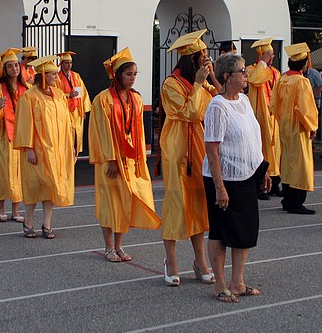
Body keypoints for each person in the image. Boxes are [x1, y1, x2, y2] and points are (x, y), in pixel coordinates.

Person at [204, 53, 270, 302]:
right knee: (220, 231)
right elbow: (212, 149)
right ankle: (220, 284)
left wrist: (261, 169)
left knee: (245, 231)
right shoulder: (217, 106)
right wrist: (220, 188)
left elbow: (253, 137)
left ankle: (238, 282)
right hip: (222, 178)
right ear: (226, 76)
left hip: (245, 175)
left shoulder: (243, 100)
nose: (246, 75)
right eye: (242, 71)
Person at [88, 47, 161, 262]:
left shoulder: (136, 99)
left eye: (135, 74)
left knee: (125, 201)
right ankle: (108, 248)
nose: (132, 79)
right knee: (111, 202)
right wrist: (111, 159)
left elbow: (138, 131)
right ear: (117, 75)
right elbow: (101, 131)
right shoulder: (103, 99)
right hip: (110, 159)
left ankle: (119, 246)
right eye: (128, 74)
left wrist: (140, 156)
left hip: (129, 158)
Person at [159, 29, 217, 286]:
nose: (205, 61)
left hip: (198, 145)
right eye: (201, 57)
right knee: (175, 203)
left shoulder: (203, 83)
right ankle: (170, 260)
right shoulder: (171, 84)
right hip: (177, 148)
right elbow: (191, 113)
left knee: (198, 203)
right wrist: (198, 83)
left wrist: (210, 79)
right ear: (190, 59)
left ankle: (199, 260)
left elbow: (217, 103)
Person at [13, 55, 75, 239]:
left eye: (56, 73)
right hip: (38, 149)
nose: (56, 76)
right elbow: (24, 123)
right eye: (52, 74)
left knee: (51, 186)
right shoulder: (29, 97)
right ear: (42, 74)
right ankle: (28, 221)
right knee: (34, 185)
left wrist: (70, 144)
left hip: (56, 149)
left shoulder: (58, 94)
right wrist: (29, 148)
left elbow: (66, 122)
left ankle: (47, 224)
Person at [271, 43, 319, 214]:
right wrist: (312, 126)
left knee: (287, 163)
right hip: (298, 128)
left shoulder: (282, 79)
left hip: (284, 127)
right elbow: (305, 109)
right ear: (305, 64)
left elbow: (273, 105)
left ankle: (288, 199)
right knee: (300, 165)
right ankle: (296, 202)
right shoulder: (302, 82)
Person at [0, 48, 28, 221]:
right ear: (4, 69)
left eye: (16, 65)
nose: (14, 69)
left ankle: (16, 210)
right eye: (10, 66)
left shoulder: (26, 88)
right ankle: (1, 207)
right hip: (3, 137)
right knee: (3, 171)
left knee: (19, 172)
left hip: (21, 137)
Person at [245, 37, 281, 197]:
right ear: (261, 55)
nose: (271, 57)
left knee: (274, 150)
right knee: (261, 150)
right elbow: (254, 81)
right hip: (260, 116)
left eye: (272, 54)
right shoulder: (252, 70)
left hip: (273, 117)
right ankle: (260, 186)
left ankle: (274, 184)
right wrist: (263, 63)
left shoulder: (276, 73)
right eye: (268, 54)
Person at [55, 51, 91, 155]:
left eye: (70, 62)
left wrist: (83, 109)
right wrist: (68, 95)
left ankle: (75, 156)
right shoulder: (57, 78)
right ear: (61, 63)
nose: (69, 65)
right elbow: (56, 93)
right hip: (65, 111)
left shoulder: (76, 76)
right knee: (67, 135)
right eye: (66, 62)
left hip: (76, 111)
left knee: (77, 135)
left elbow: (83, 92)